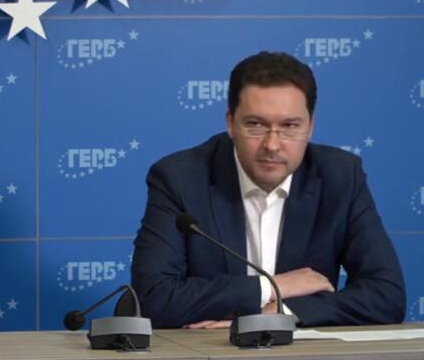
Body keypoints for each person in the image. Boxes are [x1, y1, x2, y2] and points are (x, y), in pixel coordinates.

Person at [131, 51, 405, 329]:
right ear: (230, 123)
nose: (272, 145)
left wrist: (280, 312)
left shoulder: (340, 177)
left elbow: (387, 296)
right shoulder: (181, 179)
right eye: (256, 125)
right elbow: (153, 298)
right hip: (208, 350)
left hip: (306, 352)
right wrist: (272, 287)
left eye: (289, 126)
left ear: (310, 127)